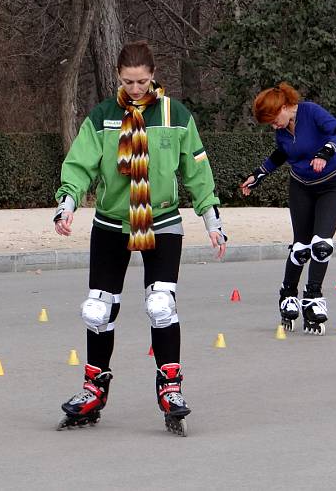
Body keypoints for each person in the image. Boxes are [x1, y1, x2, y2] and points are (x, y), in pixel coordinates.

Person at [52, 40, 227, 436]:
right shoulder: (102, 117)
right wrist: (67, 202)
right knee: (98, 310)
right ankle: (93, 389)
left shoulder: (175, 115)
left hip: (161, 219)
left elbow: (197, 171)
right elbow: (80, 165)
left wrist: (211, 219)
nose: (136, 89)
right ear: (118, 76)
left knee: (161, 305)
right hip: (113, 222)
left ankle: (170, 388)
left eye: (143, 81)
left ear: (153, 76)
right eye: (129, 82)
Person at [240, 82, 336, 336]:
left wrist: (326, 151)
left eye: (273, 119)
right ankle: (288, 293)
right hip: (301, 187)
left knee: (321, 244)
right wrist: (259, 174)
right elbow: (282, 153)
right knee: (301, 248)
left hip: (332, 186)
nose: (273, 126)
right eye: (268, 123)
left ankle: (313, 297)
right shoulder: (282, 130)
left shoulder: (310, 112)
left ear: (286, 107)